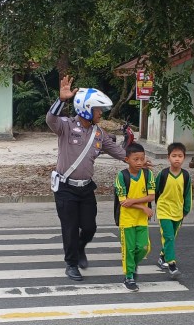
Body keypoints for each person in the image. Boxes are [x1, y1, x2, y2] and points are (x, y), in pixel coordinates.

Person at [47, 75, 137, 281]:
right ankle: (71, 264)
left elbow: (117, 151)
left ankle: (80, 248)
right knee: (70, 228)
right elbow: (50, 120)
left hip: (86, 188)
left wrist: (135, 160)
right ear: (86, 108)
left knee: (89, 227)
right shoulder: (66, 126)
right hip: (65, 188)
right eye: (98, 109)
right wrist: (61, 100)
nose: (101, 113)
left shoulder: (99, 134)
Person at [115, 142, 156, 292]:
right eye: (135, 159)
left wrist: (133, 201)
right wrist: (141, 206)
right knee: (129, 248)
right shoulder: (121, 176)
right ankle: (129, 276)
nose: (139, 162)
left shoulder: (148, 174)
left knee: (144, 247)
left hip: (141, 219)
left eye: (142, 159)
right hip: (127, 220)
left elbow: (151, 196)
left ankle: (131, 266)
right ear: (127, 160)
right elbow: (123, 202)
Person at [154, 142, 193, 278]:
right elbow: (155, 191)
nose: (177, 158)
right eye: (174, 155)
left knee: (171, 238)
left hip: (178, 212)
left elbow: (188, 194)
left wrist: (186, 210)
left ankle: (162, 257)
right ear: (168, 157)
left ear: (184, 158)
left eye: (180, 156)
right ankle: (172, 265)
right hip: (164, 210)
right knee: (169, 236)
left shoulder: (186, 176)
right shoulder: (163, 174)